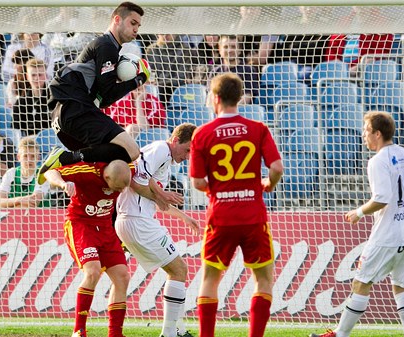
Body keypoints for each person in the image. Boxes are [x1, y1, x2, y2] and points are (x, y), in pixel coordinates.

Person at [309, 111, 404, 337]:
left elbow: (382, 197)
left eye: (366, 131)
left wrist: (359, 212)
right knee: (401, 286)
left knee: (361, 283)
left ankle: (341, 334)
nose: (363, 136)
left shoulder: (377, 161)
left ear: (377, 134)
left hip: (388, 235)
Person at [188, 73, 283, 337]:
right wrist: (267, 184)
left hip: (221, 216)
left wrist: (218, 190)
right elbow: (276, 167)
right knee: (263, 280)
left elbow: (196, 182)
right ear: (239, 98)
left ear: (215, 98)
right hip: (253, 215)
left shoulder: (202, 133)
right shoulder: (258, 128)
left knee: (209, 279)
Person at [36, 1, 151, 185]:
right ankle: (64, 158)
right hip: (75, 109)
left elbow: (103, 99)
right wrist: (137, 81)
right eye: (132, 22)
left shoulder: (105, 48)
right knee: (133, 150)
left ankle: (71, 169)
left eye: (138, 25)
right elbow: (109, 91)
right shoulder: (106, 45)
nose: (136, 28)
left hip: (66, 117)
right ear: (117, 19)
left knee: (115, 157)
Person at [115, 123, 198, 337]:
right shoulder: (160, 149)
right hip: (137, 221)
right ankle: (170, 333)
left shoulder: (164, 162)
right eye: (188, 149)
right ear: (176, 140)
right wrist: (162, 195)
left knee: (177, 271)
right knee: (179, 270)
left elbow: (155, 197)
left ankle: (177, 329)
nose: (188, 156)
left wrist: (184, 217)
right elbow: (133, 179)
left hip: (136, 220)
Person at [43, 159, 133, 337]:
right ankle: (79, 330)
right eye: (116, 187)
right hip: (80, 225)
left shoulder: (127, 169)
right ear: (106, 176)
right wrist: (62, 184)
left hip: (106, 227)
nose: (119, 192)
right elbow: (49, 172)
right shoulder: (86, 171)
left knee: (122, 276)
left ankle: (115, 334)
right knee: (93, 272)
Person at [0, 136, 50, 208]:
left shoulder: (43, 174)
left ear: (38, 158)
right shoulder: (11, 173)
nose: (29, 160)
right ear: (18, 157)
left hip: (41, 217)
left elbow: (34, 202)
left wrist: (10, 203)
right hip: (15, 216)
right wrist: (19, 200)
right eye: (25, 156)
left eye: (33, 156)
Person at [208, 35, 260, 105]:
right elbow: (210, 96)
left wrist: (230, 110)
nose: (229, 50)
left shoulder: (248, 70)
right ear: (219, 50)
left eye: (233, 47)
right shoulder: (215, 72)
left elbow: (247, 96)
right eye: (225, 47)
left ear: (239, 50)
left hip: (240, 111)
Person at [102, 85, 166, 139]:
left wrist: (139, 102)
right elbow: (110, 125)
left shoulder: (154, 103)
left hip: (149, 139)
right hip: (123, 137)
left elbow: (145, 129)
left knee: (133, 129)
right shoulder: (121, 102)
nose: (137, 85)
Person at [12, 58, 51, 136]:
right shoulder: (21, 102)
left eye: (40, 74)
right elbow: (16, 128)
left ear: (46, 75)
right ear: (27, 77)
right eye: (33, 75)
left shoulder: (54, 98)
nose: (36, 78)